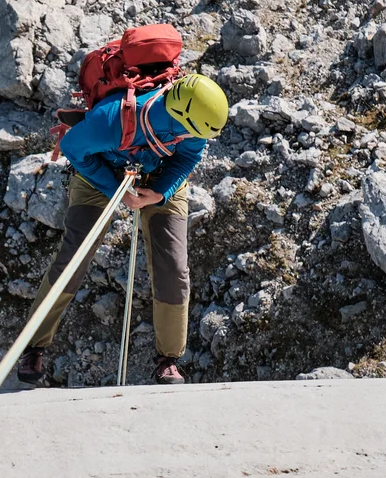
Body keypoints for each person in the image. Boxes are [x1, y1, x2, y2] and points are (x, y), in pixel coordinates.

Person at [16, 72, 228, 387]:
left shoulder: (195, 122)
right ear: (179, 115)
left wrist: (160, 193)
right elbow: (73, 147)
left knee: (173, 264)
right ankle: (32, 347)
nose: (194, 138)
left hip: (160, 178)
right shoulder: (112, 119)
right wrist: (116, 188)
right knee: (76, 254)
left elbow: (189, 156)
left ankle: (168, 359)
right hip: (100, 172)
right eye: (191, 133)